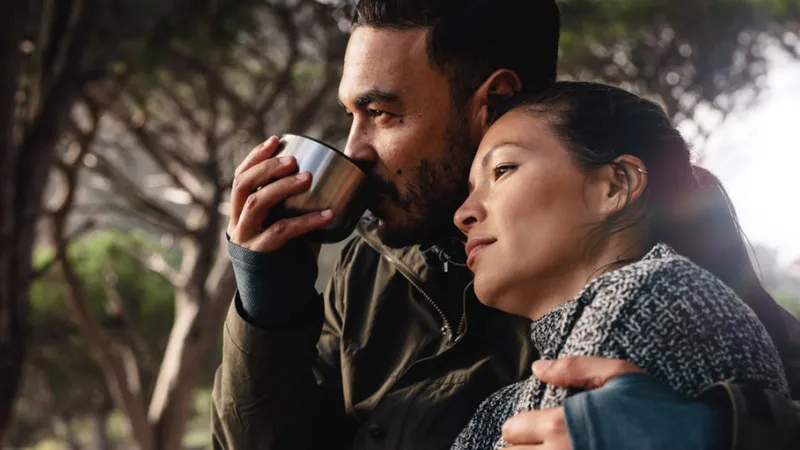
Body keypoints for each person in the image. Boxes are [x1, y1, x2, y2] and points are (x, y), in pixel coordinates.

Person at [212, 1, 800, 449]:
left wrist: (714, 433)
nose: (355, 150)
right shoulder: (367, 268)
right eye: (351, 115)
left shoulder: (656, 282)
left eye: (382, 113)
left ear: (493, 101)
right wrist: (270, 310)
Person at [450, 81, 795, 449]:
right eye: (471, 189)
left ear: (615, 186)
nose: (463, 215)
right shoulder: (500, 406)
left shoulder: (653, 294)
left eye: (502, 170)